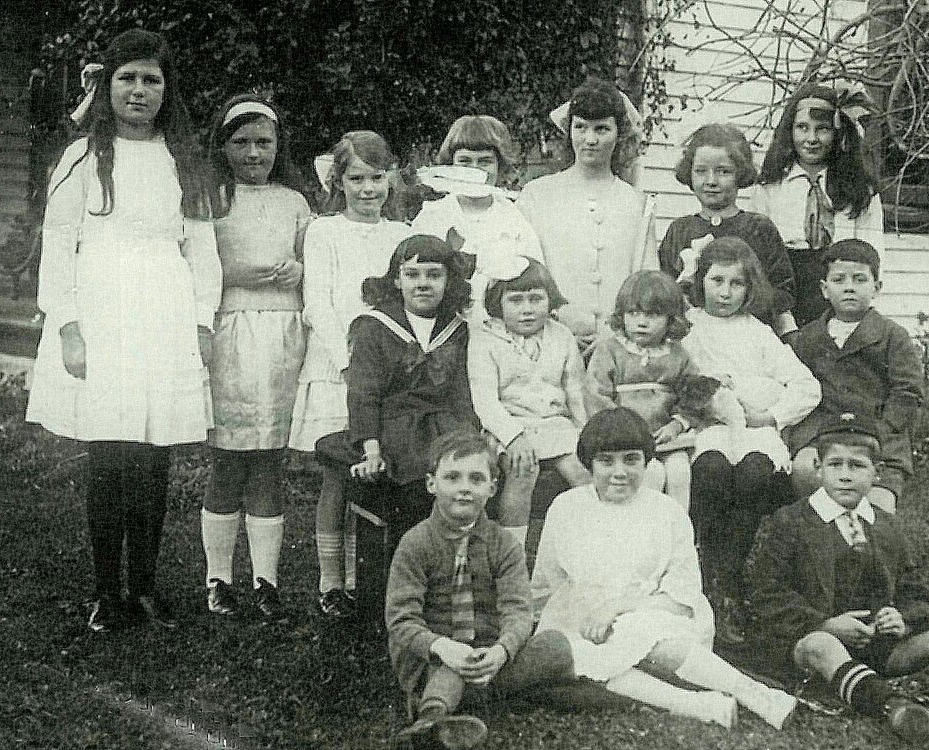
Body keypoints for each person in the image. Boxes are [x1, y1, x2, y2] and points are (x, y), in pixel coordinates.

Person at [26, 29, 222, 632]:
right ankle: (107, 592)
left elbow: (203, 249)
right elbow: (58, 245)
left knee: (154, 457)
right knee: (110, 456)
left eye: (151, 79)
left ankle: (144, 588)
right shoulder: (81, 158)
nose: (139, 90)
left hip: (164, 314)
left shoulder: (183, 160)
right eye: (127, 78)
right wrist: (68, 326)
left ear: (167, 89)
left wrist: (202, 323)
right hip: (103, 313)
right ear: (107, 86)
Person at [531, 408, 798, 730]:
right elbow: (549, 580)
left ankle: (755, 693)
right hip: (585, 619)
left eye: (631, 460)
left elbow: (682, 597)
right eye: (606, 461)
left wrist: (617, 609)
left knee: (634, 629)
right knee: (580, 651)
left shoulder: (666, 511)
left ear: (647, 462)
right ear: (589, 464)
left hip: (660, 617)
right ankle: (700, 705)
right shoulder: (567, 508)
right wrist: (570, 622)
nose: (619, 472)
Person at [745, 414, 929, 742]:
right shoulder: (791, 522)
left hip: (878, 647)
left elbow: (914, 590)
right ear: (817, 467)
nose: (845, 475)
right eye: (835, 464)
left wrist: (902, 618)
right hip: (811, 644)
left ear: (877, 472)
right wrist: (824, 623)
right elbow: (766, 592)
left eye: (857, 466)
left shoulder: (885, 525)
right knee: (823, 646)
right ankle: (893, 707)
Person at [314, 234, 479, 618]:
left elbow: (462, 394)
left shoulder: (457, 329)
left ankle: (446, 585)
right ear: (396, 279)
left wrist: (472, 442)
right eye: (412, 274)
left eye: (434, 275)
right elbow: (363, 393)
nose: (423, 283)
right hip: (390, 427)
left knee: (459, 483)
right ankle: (379, 588)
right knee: (408, 489)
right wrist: (371, 447)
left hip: (442, 427)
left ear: (449, 281)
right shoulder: (374, 326)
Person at [388, 431, 577, 750]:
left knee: (557, 645)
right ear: (431, 484)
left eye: (476, 479)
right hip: (434, 655)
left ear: (492, 488)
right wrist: (442, 647)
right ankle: (431, 719)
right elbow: (400, 620)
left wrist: (501, 651)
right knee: (450, 669)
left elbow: (518, 611)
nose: (464, 488)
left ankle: (450, 706)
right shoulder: (415, 543)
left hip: (488, 655)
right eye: (452, 477)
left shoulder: (504, 544)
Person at [287, 131, 410, 617]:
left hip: (388, 373)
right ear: (338, 181)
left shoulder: (401, 234)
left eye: (376, 178)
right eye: (356, 178)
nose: (367, 189)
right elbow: (318, 303)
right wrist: (351, 363)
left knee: (378, 473)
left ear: (390, 179)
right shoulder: (325, 231)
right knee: (339, 474)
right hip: (338, 368)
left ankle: (367, 578)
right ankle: (331, 581)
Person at [199, 94, 311, 622]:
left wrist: (301, 271)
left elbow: (316, 260)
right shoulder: (210, 198)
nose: (252, 153)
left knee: (269, 458)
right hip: (232, 334)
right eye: (240, 142)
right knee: (229, 457)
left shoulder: (295, 201)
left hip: (284, 336)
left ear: (277, 146)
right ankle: (218, 578)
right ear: (223, 147)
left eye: (263, 142)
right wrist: (229, 276)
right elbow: (194, 263)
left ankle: (266, 580)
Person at [681, 237, 820, 644]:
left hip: (757, 429)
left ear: (750, 288)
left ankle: (730, 578)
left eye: (736, 283)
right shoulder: (687, 328)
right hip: (708, 427)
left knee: (755, 472)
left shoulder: (759, 333)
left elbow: (807, 386)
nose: (725, 292)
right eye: (717, 281)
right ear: (700, 281)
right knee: (711, 468)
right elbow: (678, 380)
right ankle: (705, 572)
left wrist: (770, 416)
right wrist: (707, 396)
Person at [517, 78, 653, 351]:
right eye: (580, 127)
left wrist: (615, 332)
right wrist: (558, 320)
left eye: (602, 129)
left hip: (619, 345)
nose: (590, 139)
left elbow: (646, 282)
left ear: (619, 133)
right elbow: (524, 271)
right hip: (549, 339)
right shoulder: (537, 196)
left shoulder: (638, 204)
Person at [788, 240, 923, 514]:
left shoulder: (892, 336)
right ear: (824, 289)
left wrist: (881, 431)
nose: (849, 287)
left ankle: (867, 528)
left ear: (877, 287)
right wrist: (805, 436)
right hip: (823, 434)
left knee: (876, 509)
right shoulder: (809, 338)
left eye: (860, 279)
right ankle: (821, 529)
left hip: (877, 436)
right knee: (805, 469)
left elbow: (907, 392)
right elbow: (796, 390)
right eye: (839, 280)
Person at [467, 255, 591, 550]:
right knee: (523, 469)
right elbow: (485, 402)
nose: (527, 309)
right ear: (498, 303)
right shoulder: (485, 339)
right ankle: (513, 553)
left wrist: (586, 432)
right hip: (509, 427)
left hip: (555, 426)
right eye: (515, 300)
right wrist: (513, 437)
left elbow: (575, 391)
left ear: (550, 300)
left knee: (583, 472)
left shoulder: (561, 335)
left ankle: (587, 545)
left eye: (536, 299)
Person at [748, 83, 884, 327]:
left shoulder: (860, 191)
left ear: (838, 133)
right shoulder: (769, 188)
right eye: (802, 128)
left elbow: (873, 257)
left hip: (840, 297)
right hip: (786, 300)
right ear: (790, 131)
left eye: (822, 129)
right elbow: (758, 256)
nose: (811, 139)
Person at [658, 123, 796, 336]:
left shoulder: (759, 228)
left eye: (723, 171)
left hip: (746, 337)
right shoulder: (680, 230)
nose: (711, 181)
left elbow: (782, 293)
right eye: (701, 171)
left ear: (740, 174)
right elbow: (664, 289)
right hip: (693, 338)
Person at [411, 115, 543, 323]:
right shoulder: (431, 218)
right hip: (441, 327)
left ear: (500, 165)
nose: (474, 170)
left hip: (501, 329)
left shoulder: (516, 220)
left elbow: (535, 281)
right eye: (464, 161)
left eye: (485, 161)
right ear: (450, 165)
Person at [585, 271, 701, 508]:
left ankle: (677, 525)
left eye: (653, 315)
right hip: (624, 442)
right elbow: (596, 395)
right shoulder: (610, 350)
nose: (641, 322)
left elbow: (694, 395)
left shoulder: (678, 355)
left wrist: (676, 425)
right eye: (633, 313)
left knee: (679, 471)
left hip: (666, 438)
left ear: (671, 319)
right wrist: (624, 433)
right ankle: (640, 524)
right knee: (652, 474)